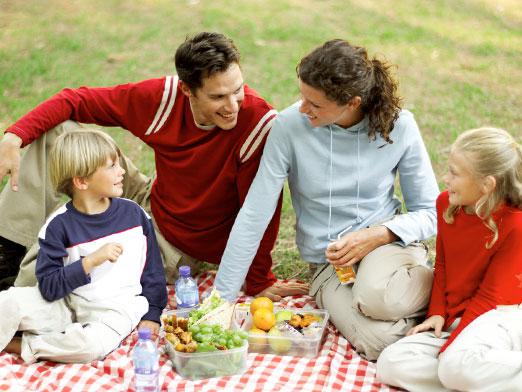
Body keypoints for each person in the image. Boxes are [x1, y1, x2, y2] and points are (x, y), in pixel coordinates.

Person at [0, 32, 307, 299]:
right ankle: (8, 250)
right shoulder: (164, 99)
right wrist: (14, 136)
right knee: (56, 131)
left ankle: (22, 297)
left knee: (83, 259)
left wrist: (258, 280)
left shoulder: (257, 124)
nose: (233, 105)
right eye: (218, 96)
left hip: (176, 244)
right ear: (188, 90)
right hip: (150, 197)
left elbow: (260, 211)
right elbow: (75, 100)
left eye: (237, 89)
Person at [215, 39, 439, 360]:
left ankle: (443, 290)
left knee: (375, 296)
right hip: (329, 265)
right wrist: (221, 299)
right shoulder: (289, 126)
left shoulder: (400, 126)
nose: (302, 108)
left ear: (352, 102)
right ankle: (428, 314)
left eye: (315, 104)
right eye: (302, 96)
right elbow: (255, 212)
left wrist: (379, 234)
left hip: (387, 246)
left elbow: (431, 212)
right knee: (377, 343)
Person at [0, 129, 167, 363]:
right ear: (81, 181)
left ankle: (22, 345)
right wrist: (89, 262)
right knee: (7, 302)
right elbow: (48, 288)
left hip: (117, 311)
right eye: (112, 166)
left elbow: (153, 272)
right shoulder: (57, 226)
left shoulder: (134, 216)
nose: (122, 172)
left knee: (90, 347)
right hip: (66, 303)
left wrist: (153, 314)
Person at [377, 127, 522, 391]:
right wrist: (436, 313)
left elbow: (492, 298)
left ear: (486, 185)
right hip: (458, 320)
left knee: (455, 364)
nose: (445, 178)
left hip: (498, 318)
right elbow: (442, 266)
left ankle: (467, 370)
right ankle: (478, 378)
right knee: (391, 363)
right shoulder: (446, 204)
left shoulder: (514, 225)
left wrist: (453, 346)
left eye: (455, 173)